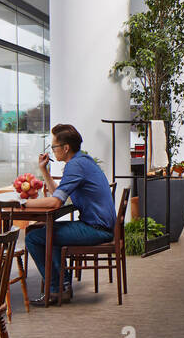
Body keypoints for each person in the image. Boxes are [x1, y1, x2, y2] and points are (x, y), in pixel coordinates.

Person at [22, 122, 116, 303]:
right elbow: (58, 194)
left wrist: (23, 204)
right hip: (99, 225)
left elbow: (55, 202)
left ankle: (55, 289)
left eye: (54, 146)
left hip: (96, 229)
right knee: (45, 231)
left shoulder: (75, 166)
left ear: (65, 148)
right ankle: (61, 286)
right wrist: (44, 170)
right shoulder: (83, 161)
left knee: (33, 237)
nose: (52, 150)